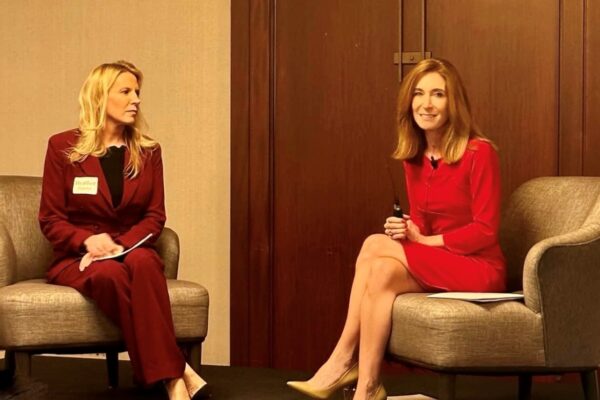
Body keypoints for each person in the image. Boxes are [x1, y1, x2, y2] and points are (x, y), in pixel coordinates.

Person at [287, 58, 507, 400]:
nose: (427, 104)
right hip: (439, 258)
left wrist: (425, 240)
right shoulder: (414, 156)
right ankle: (368, 387)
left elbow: (485, 231)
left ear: (454, 103)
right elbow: (422, 219)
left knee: (374, 246)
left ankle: (342, 358)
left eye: (438, 94)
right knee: (381, 269)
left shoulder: (479, 153)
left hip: (478, 267)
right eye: (419, 94)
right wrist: (408, 229)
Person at [38, 61, 210, 400]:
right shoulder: (62, 147)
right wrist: (87, 241)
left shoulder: (148, 151)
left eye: (138, 92)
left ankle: (169, 376)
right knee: (109, 277)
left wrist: (120, 246)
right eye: (126, 91)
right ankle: (175, 372)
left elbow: (154, 216)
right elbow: (50, 219)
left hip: (133, 249)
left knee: (145, 264)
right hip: (79, 258)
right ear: (101, 97)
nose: (136, 100)